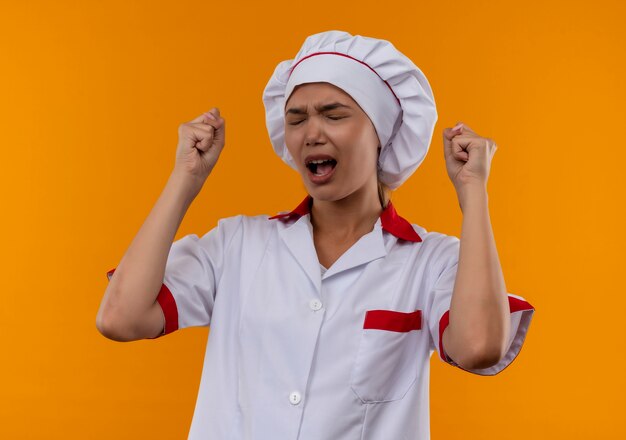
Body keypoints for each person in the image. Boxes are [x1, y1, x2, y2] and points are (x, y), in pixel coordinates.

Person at [97, 30, 535, 440]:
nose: (311, 133)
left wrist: (473, 194)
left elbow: (479, 346)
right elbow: (120, 318)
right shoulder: (236, 246)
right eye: (297, 118)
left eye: (333, 114)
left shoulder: (431, 262)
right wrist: (184, 178)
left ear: (379, 134)